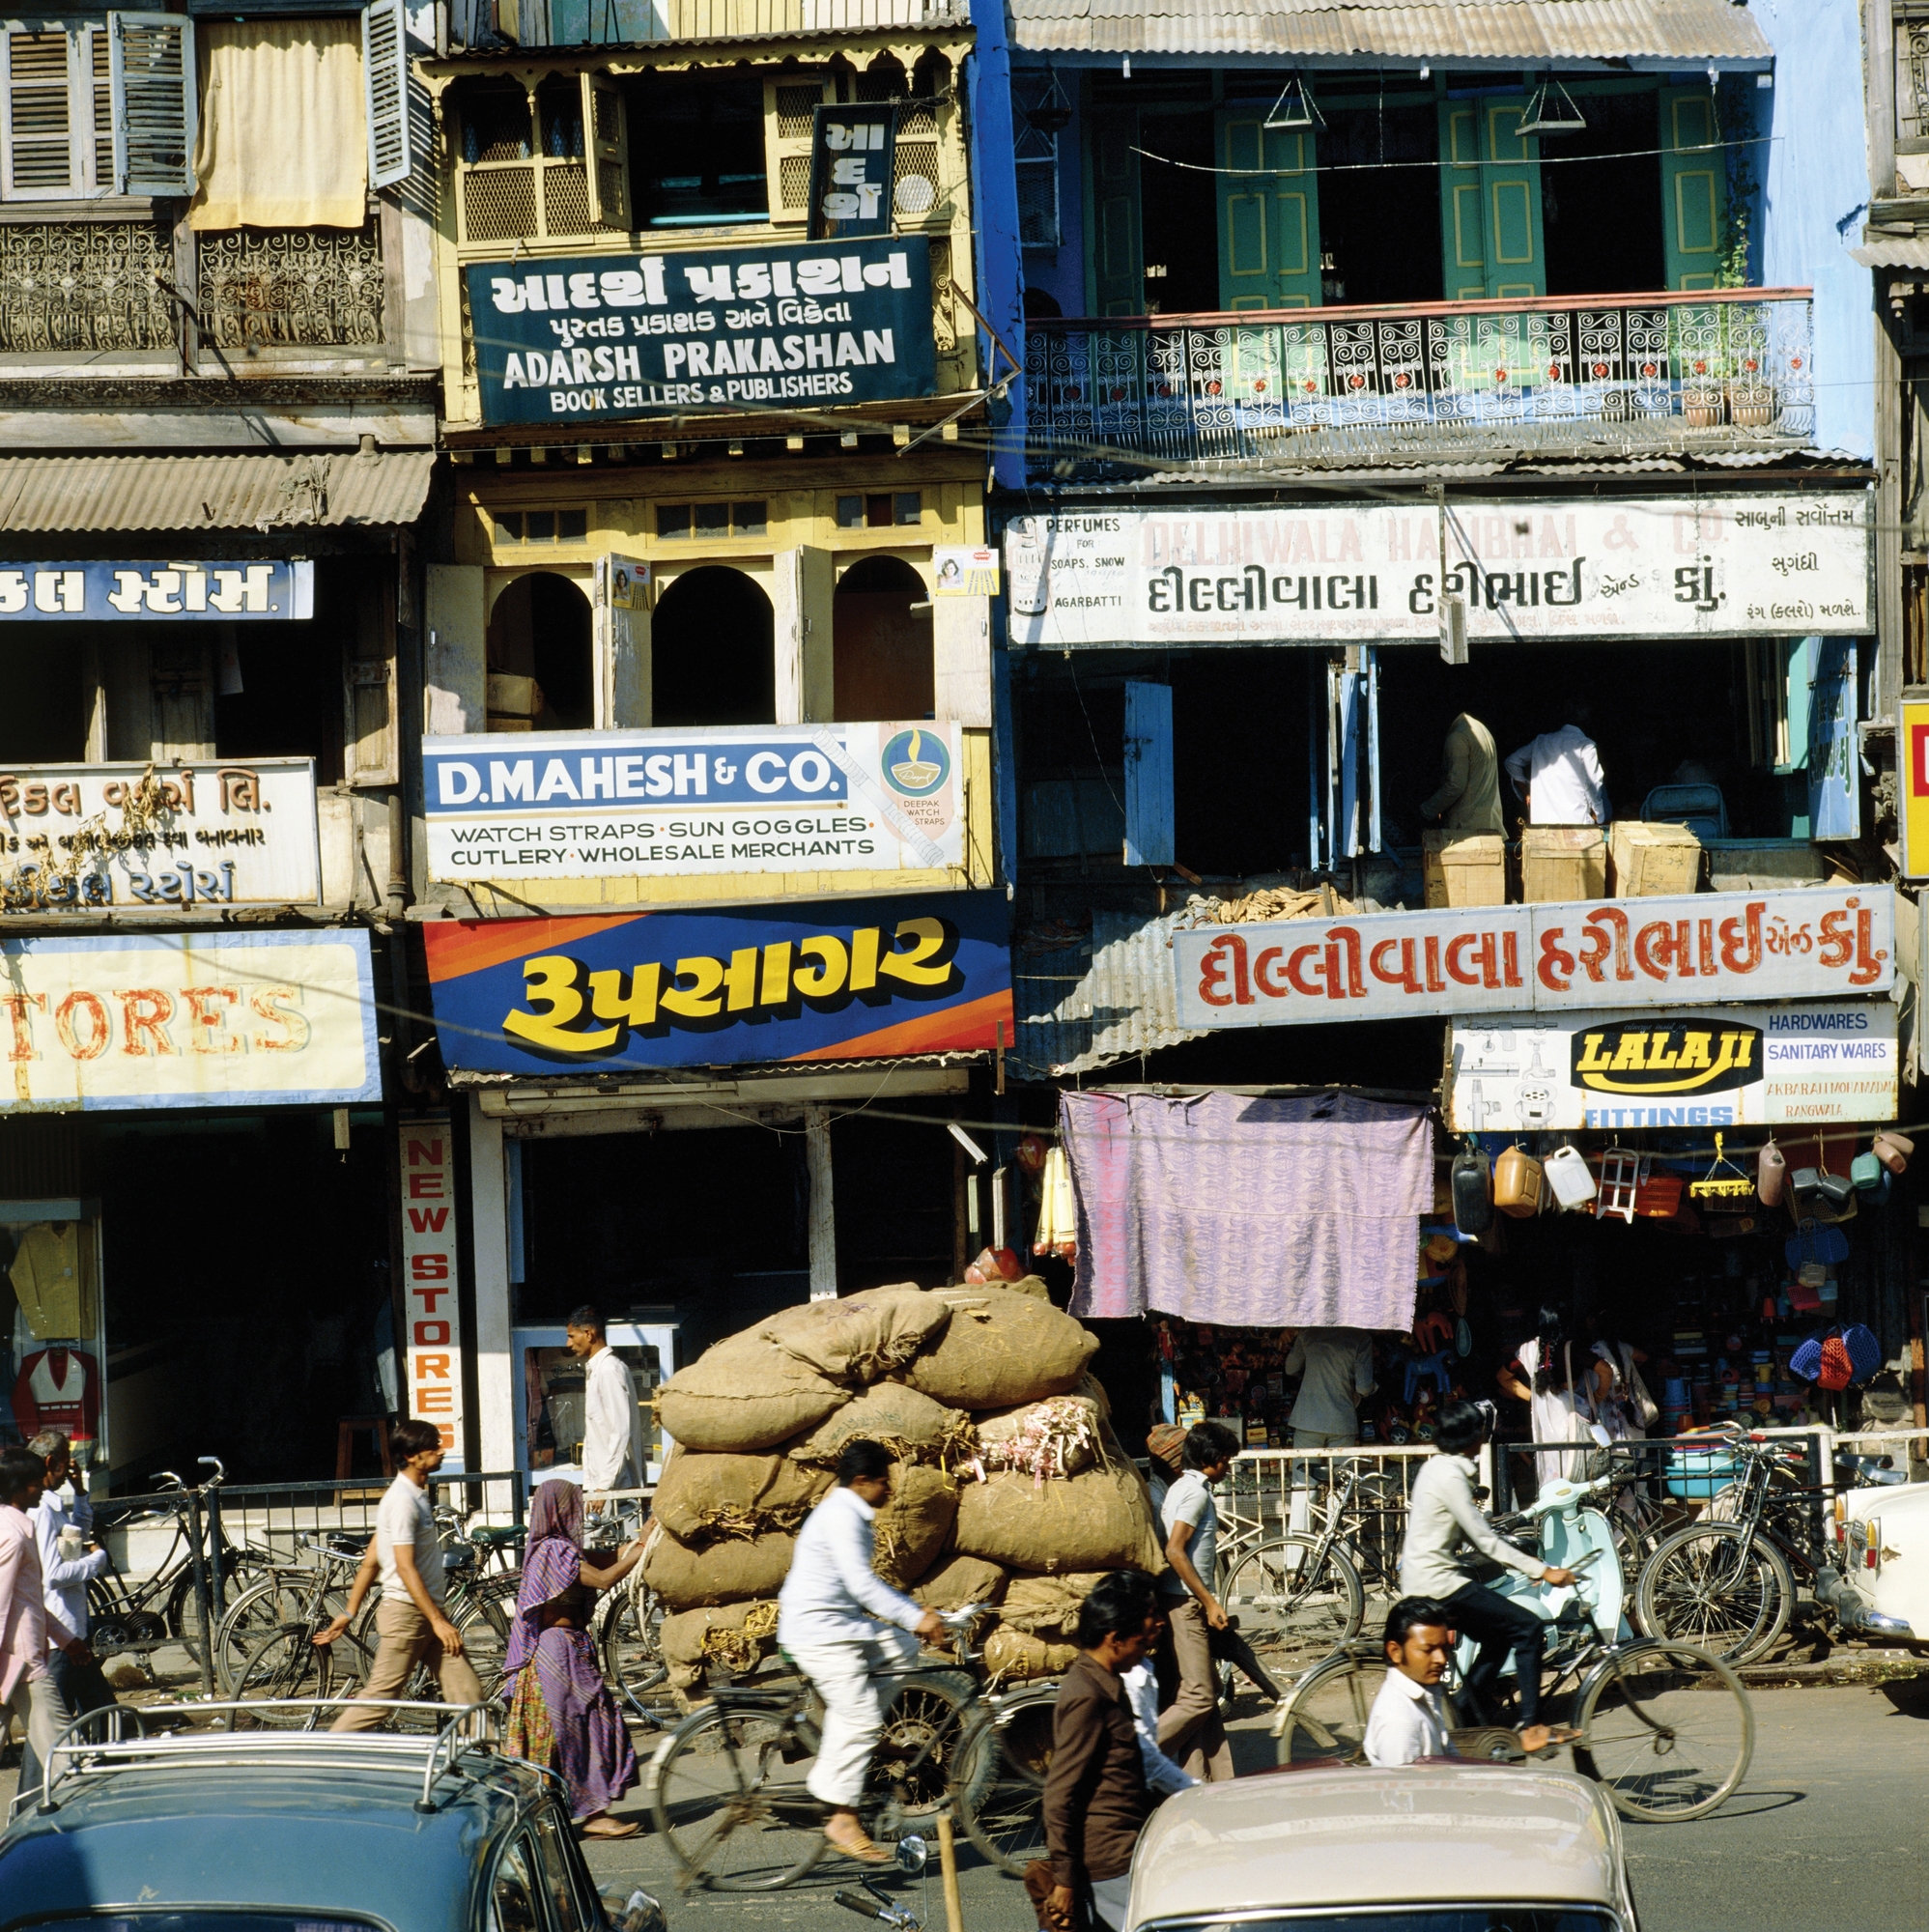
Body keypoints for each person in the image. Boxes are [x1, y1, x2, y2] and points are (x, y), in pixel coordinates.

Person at [776, 1438, 945, 1863]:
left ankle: (861, 1736)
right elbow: (861, 1585)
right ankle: (842, 1818)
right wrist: (914, 1616)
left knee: (902, 1646)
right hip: (819, 1633)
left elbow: (860, 1588)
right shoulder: (840, 1517)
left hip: (841, 1625)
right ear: (863, 1480)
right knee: (861, 1715)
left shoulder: (847, 1513)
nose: (890, 1490)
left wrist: (909, 1618)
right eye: (884, 1482)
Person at [1399, 1400, 1574, 1737]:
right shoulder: (1451, 1476)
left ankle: (1464, 1713)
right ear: (1472, 1437)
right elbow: (1484, 1541)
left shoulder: (1435, 1468)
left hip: (1426, 1578)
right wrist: (1541, 1570)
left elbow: (1471, 1532)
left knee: (1496, 1637)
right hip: (1439, 1583)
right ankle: (1533, 1725)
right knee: (1528, 1628)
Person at [317, 1418, 485, 1730]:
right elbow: (404, 1566)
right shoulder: (402, 1502)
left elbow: (371, 1559)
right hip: (408, 1617)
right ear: (411, 1456)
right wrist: (437, 1620)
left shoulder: (413, 1497)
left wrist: (350, 1611)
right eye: (432, 1446)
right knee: (379, 1701)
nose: (440, 1451)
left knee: (467, 1692)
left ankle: (494, 1760)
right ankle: (323, 1755)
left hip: (426, 1615)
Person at [502, 1478, 646, 1837]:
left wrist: (645, 1536)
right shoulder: (555, 1552)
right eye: (574, 1505)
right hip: (557, 1653)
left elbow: (613, 1556)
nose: (577, 1511)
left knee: (566, 1733)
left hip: (566, 1650)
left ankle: (571, 1813)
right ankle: (592, 1814)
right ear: (560, 1509)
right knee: (583, 1727)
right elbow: (602, 1578)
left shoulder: (563, 1549)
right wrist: (640, 1553)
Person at [1041, 1570, 1161, 1932]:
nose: (1147, 1650)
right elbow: (1059, 1794)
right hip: (1109, 1862)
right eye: (1141, 1643)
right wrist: (1064, 1880)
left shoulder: (1108, 1682)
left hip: (1129, 1847)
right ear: (1115, 1639)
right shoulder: (1086, 1695)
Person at [17, 1429, 114, 1796]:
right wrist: (97, 1561)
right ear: (49, 1463)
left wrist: (81, 1493)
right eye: (64, 1465)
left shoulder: (53, 1504)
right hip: (60, 1635)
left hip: (73, 1630)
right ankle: (29, 1802)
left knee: (103, 1714)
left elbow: (73, 1538)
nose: (67, 1470)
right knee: (46, 1732)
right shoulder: (40, 1511)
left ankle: (112, 1782)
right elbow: (54, 1574)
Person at [1155, 1421, 1239, 1781]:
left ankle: (1211, 1783)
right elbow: (1175, 1550)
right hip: (1186, 1604)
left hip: (1186, 1603)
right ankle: (1129, 1756)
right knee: (1200, 1697)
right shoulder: (1195, 1493)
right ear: (1214, 1459)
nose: (1229, 1467)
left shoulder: (1183, 1487)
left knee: (1205, 1697)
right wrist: (1208, 1602)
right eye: (1227, 1460)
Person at [0, 1445, 83, 1801]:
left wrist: (66, 1639)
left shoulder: (17, 1527)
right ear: (18, 1487)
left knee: (63, 1749)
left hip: (19, 1660)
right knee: (66, 1756)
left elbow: (27, 1601)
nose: (43, 1490)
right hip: (21, 1664)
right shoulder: (13, 1534)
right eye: (36, 1484)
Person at [1497, 1308, 1609, 1490]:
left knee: (1554, 1480)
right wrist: (1598, 1396)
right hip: (1574, 1422)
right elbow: (1606, 1371)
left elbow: (1503, 1378)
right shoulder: (1573, 1348)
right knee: (1580, 1477)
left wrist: (1534, 1399)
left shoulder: (1526, 1350)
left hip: (1546, 1429)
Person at [566, 1305, 643, 1520]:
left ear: (589, 1334)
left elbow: (621, 1431)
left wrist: (602, 1487)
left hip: (618, 1488)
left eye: (572, 1336)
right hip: (605, 1488)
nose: (568, 1344)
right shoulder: (598, 1370)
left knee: (623, 1551)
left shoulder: (609, 1370)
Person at [1504, 715, 1609, 825]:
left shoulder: (1541, 741)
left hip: (1541, 824)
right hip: (1575, 824)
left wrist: (1526, 790)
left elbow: (1512, 762)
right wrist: (1599, 815)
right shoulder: (1586, 745)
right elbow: (1592, 784)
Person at [1284, 1327, 1376, 1449]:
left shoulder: (1308, 1333)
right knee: (1341, 1468)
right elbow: (1364, 1388)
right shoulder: (1361, 1338)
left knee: (1305, 1467)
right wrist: (1374, 1387)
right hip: (1341, 1421)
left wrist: (1309, 1372)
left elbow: (1291, 1369)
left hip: (1308, 1419)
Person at [1419, 713, 1503, 834]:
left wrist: (1427, 810)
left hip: (1467, 827)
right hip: (1490, 822)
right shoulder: (1482, 729)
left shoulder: (1458, 737)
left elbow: (1455, 785)